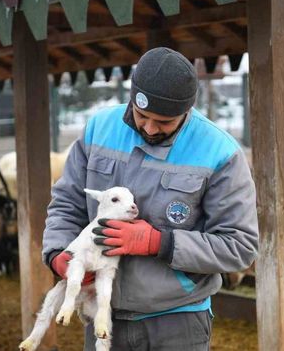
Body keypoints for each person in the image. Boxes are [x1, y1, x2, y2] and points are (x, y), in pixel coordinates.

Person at [43, 47, 259, 350]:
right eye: (141, 115)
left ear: (186, 110)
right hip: (102, 316)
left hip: (177, 322)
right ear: (132, 98)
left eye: (164, 122)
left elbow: (240, 245)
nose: (149, 127)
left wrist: (159, 243)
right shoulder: (98, 129)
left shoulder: (219, 152)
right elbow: (67, 202)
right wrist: (57, 254)